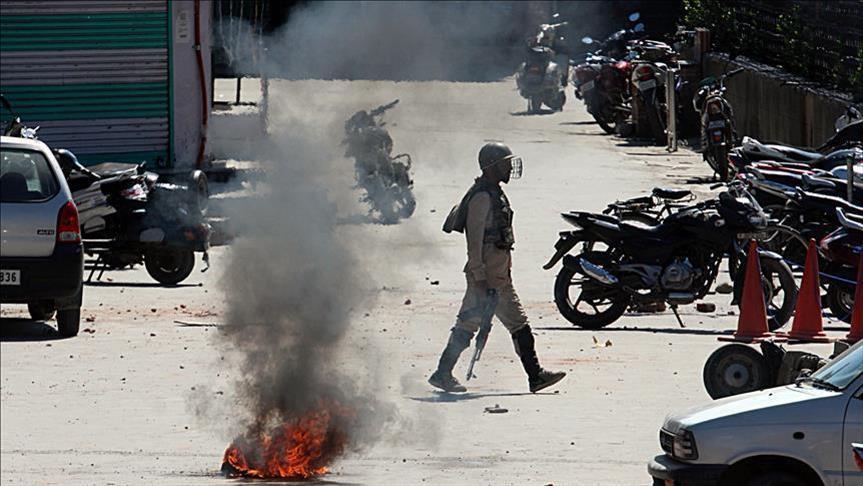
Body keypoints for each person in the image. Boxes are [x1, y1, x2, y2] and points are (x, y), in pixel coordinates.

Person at [429, 142, 566, 393]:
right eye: (505, 164)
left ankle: (535, 375)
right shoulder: (481, 197)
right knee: (471, 325)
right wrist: (480, 277)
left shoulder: (494, 192)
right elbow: (474, 242)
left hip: (499, 275)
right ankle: (443, 373)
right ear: (491, 167)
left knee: (515, 324)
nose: (509, 168)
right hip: (487, 277)